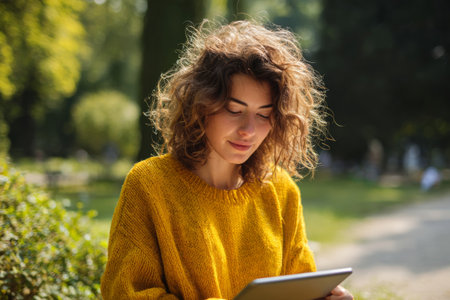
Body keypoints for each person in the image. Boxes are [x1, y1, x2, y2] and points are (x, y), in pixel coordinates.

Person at [100, 19, 353, 300]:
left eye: (263, 115)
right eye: (234, 110)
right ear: (201, 105)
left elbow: (299, 288)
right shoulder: (150, 184)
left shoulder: (282, 191)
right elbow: (124, 293)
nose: (248, 130)